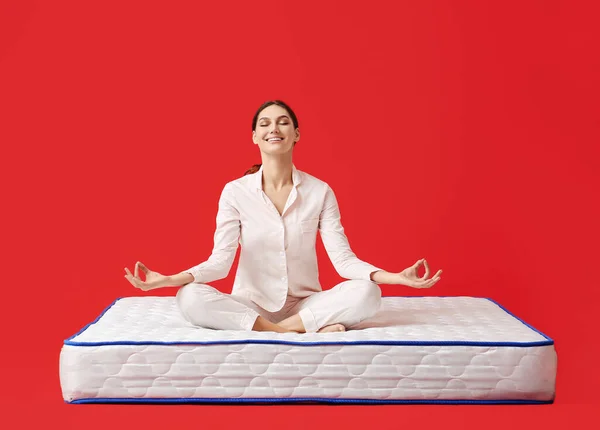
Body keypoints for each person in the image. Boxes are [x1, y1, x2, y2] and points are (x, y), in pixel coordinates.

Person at [124, 100, 442, 334]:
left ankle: (281, 330)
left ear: (296, 134)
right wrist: (167, 279)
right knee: (190, 297)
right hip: (251, 305)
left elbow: (345, 262)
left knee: (368, 292)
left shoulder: (320, 192)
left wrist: (395, 277)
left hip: (305, 304)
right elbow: (219, 264)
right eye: (264, 123)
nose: (273, 128)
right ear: (254, 136)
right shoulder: (235, 192)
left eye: (282, 122)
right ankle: (293, 333)